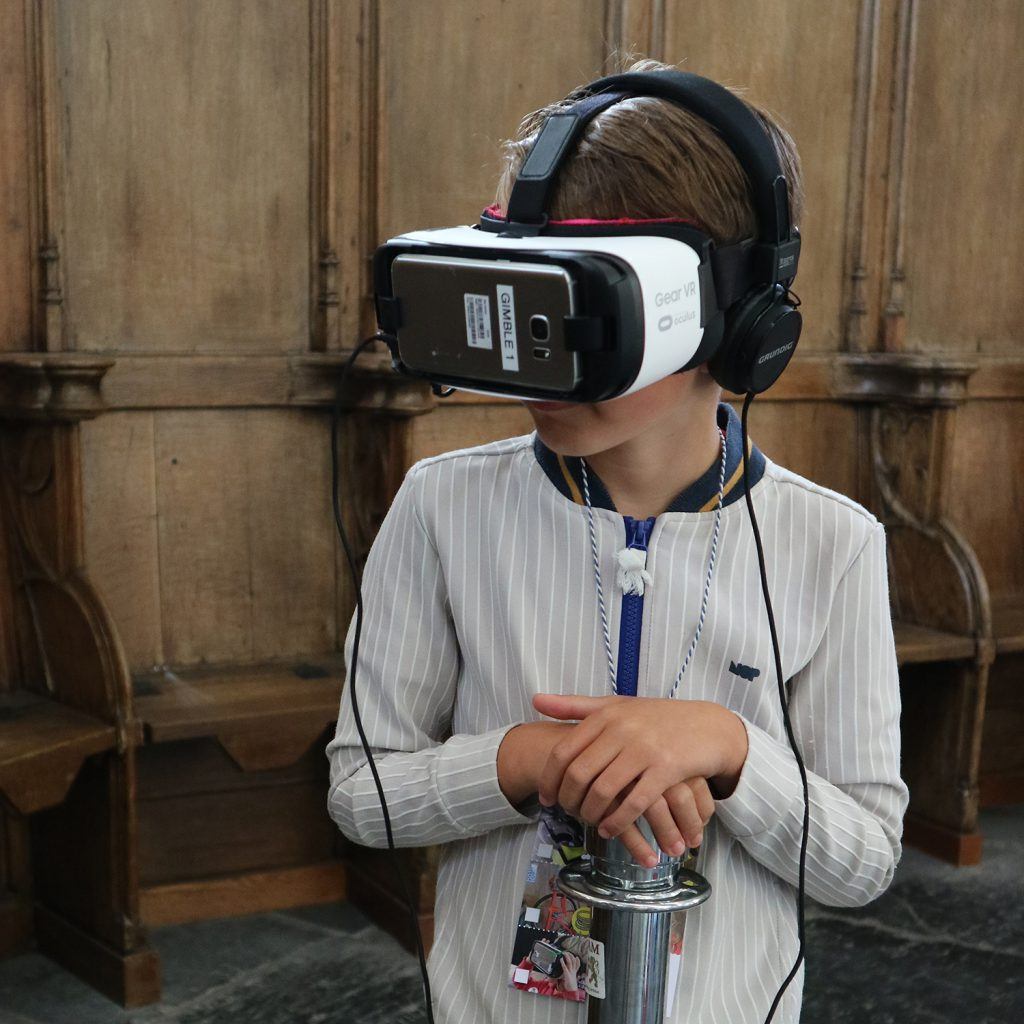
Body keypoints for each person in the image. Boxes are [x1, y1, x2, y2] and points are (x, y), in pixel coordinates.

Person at [325, 55, 909, 1024]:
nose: (550, 369)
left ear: (730, 318)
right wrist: (527, 760)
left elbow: (862, 864)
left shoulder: (830, 541)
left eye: (595, 313)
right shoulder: (441, 506)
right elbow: (364, 797)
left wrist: (729, 747)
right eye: (529, 304)